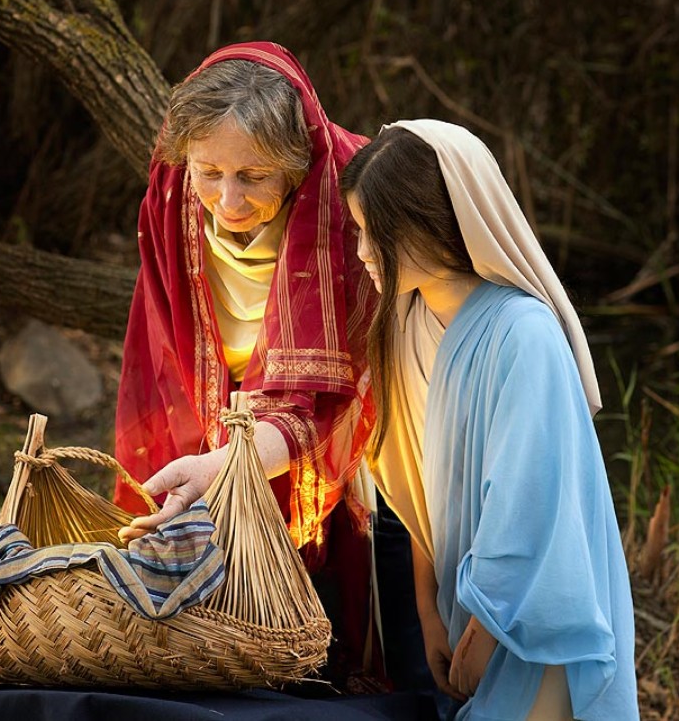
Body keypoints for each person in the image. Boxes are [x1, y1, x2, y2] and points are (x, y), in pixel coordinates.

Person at [111, 41, 420, 692]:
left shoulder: (351, 197)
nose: (227, 200)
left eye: (252, 176)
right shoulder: (170, 196)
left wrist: (233, 461)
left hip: (355, 443)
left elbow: (326, 397)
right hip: (216, 415)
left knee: (343, 625)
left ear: (296, 163)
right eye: (209, 172)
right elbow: (162, 337)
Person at [341, 120, 639, 720]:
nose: (362, 254)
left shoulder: (523, 335)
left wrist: (485, 629)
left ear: (434, 223)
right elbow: (417, 485)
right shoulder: (407, 321)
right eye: (359, 232)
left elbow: (525, 503)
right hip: (463, 607)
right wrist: (429, 612)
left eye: (378, 235)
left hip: (535, 617)